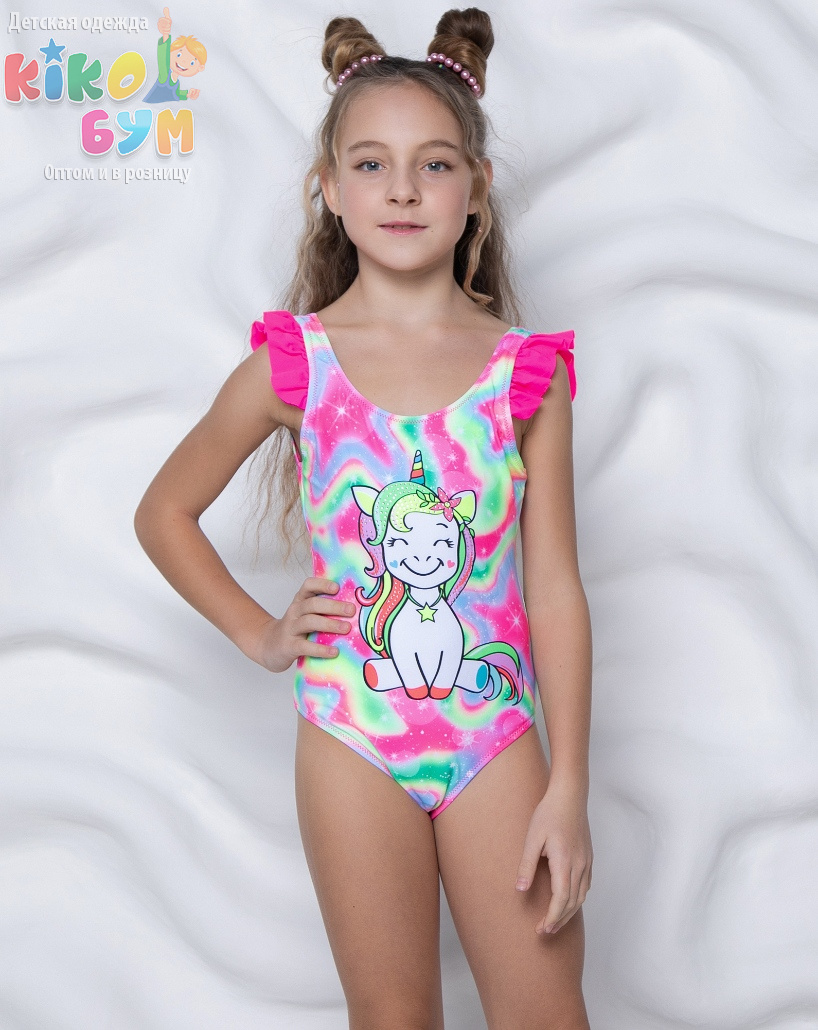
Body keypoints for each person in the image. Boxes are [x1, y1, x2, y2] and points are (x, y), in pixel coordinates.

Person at [134, 8, 594, 1028]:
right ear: (331, 190)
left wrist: (567, 786)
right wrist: (261, 634)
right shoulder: (296, 366)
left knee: (544, 1013)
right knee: (391, 1015)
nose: (401, 189)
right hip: (352, 736)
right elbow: (165, 511)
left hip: (493, 734)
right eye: (372, 164)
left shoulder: (526, 374)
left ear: (475, 190)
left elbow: (555, 588)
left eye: (434, 165)